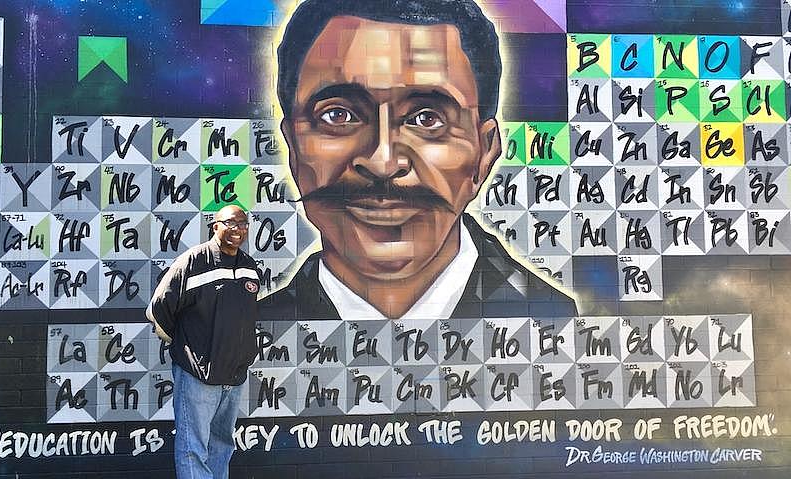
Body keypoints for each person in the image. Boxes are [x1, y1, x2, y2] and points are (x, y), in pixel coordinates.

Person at [259, 0, 577, 320]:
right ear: (294, 145)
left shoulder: (556, 324)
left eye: (427, 119)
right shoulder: (256, 332)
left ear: (484, 152)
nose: (382, 161)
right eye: (338, 115)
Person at [146, 205, 259, 479]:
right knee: (192, 448)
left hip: (233, 376)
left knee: (222, 444)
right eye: (231, 223)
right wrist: (191, 346)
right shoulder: (194, 261)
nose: (238, 230)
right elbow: (159, 309)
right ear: (215, 226)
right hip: (197, 376)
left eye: (243, 224)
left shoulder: (249, 267)